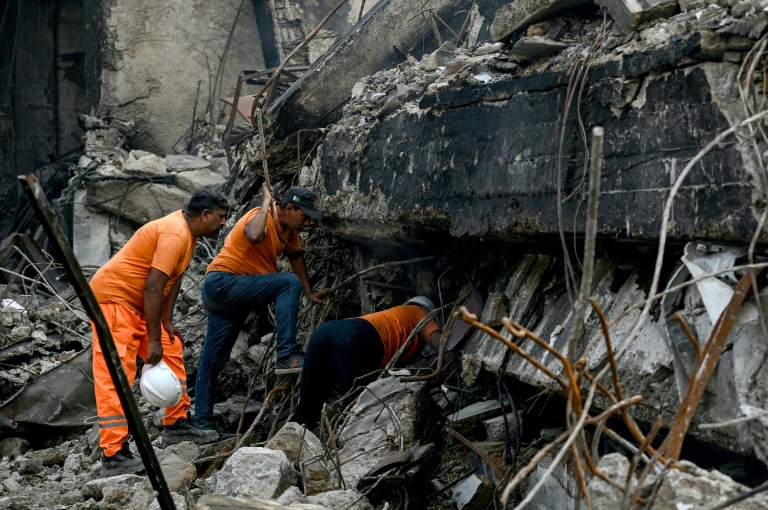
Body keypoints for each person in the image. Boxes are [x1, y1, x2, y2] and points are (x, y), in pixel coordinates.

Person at [89, 189, 230, 477]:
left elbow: (172, 280)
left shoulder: (189, 235)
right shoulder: (175, 234)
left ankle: (176, 423)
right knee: (116, 375)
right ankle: (113, 454)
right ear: (205, 215)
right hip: (113, 302)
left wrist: (165, 322)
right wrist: (153, 340)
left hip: (139, 304)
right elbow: (154, 287)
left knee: (171, 346)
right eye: (221, 217)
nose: (224, 223)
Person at [193, 184, 328, 432]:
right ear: (289, 209)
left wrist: (309, 292)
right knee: (288, 283)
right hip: (223, 283)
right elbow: (254, 235)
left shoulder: (289, 232)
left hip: (231, 295)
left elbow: (296, 257)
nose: (308, 223)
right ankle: (286, 355)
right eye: (304, 216)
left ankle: (203, 425)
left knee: (212, 361)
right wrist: (265, 202)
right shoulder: (260, 216)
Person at [292, 296, 442, 429]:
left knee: (307, 406)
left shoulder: (392, 315)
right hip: (354, 338)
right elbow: (442, 345)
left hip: (326, 330)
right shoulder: (420, 312)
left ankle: (290, 439)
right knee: (354, 409)